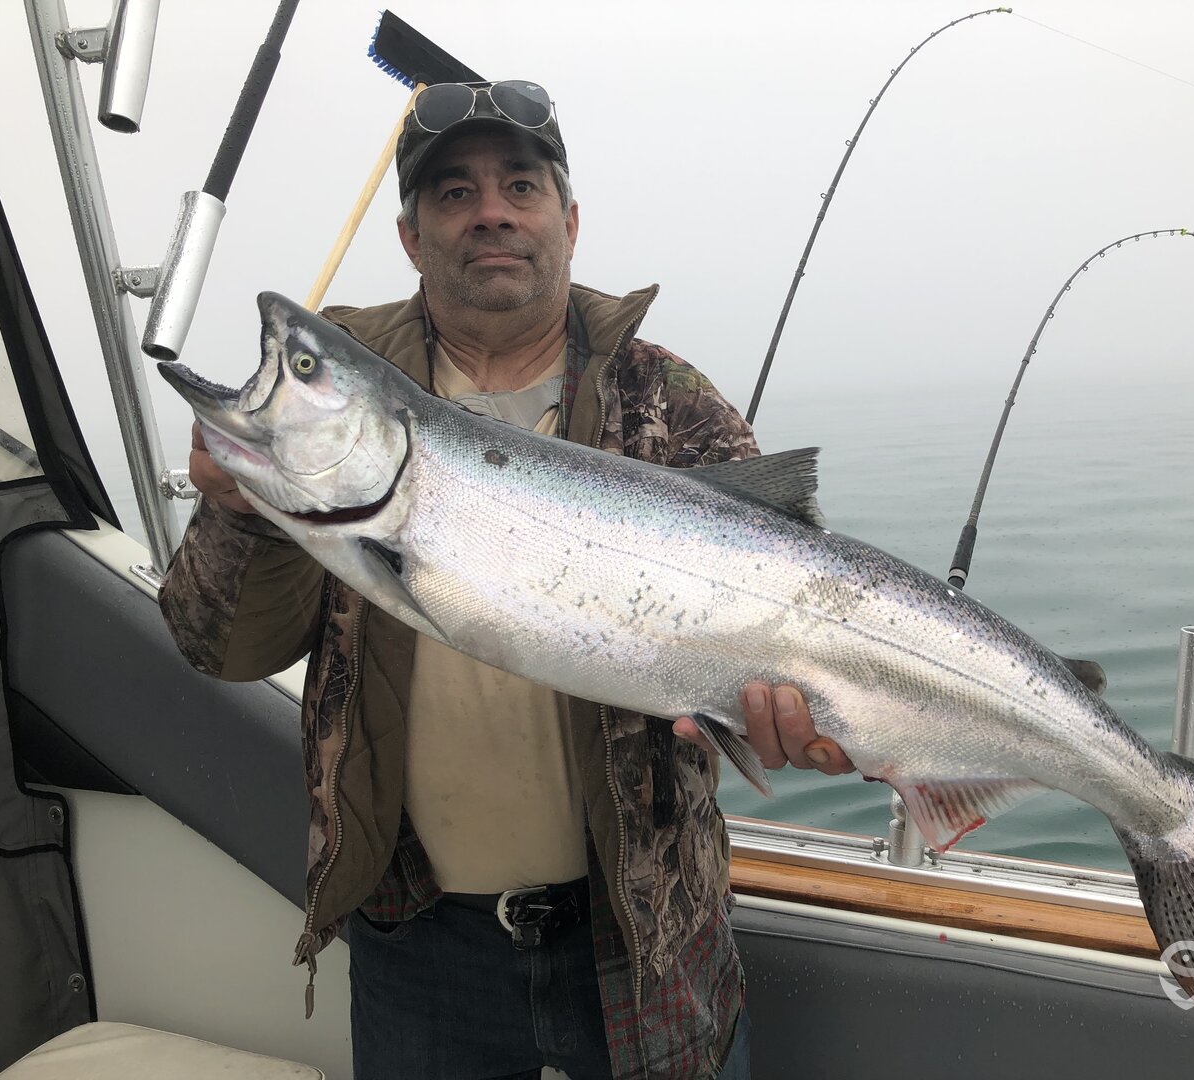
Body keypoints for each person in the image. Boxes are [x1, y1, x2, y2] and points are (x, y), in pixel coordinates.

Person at [158, 79, 854, 1080]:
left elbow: (780, 634)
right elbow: (221, 648)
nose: (491, 212)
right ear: (411, 238)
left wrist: (802, 718)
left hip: (646, 930)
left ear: (568, 221)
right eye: (454, 193)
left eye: (521, 186)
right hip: (417, 939)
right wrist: (238, 510)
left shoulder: (669, 400)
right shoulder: (347, 409)